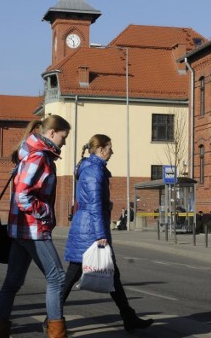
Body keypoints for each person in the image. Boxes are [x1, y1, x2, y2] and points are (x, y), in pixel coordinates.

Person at [0, 115, 71, 338]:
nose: (64, 142)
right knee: (57, 278)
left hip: (20, 229)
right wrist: (44, 213)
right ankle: (56, 332)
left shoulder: (31, 155)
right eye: (64, 136)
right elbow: (23, 196)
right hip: (33, 229)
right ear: (53, 133)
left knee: (13, 282)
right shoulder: (39, 158)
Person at [63, 134, 153, 332]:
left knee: (108, 274)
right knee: (73, 276)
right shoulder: (95, 171)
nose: (112, 152)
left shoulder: (90, 168)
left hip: (87, 228)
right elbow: (94, 204)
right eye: (110, 148)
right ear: (101, 149)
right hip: (91, 231)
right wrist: (101, 234)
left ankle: (128, 317)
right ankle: (52, 317)